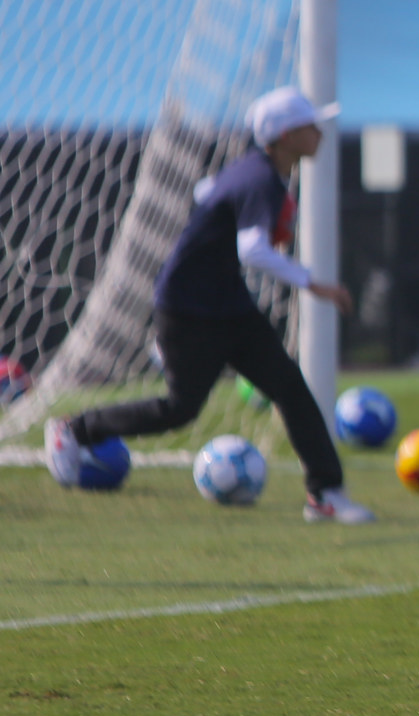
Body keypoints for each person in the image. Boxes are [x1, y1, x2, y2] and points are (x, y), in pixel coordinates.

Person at [46, 87, 374, 524]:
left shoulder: (258, 172)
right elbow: (252, 249)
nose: (319, 132)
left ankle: (326, 495)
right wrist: (314, 283)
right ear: (285, 134)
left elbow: (212, 199)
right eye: (310, 125)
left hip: (228, 306)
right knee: (180, 409)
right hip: (189, 309)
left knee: (290, 389)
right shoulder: (259, 177)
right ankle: (74, 430)